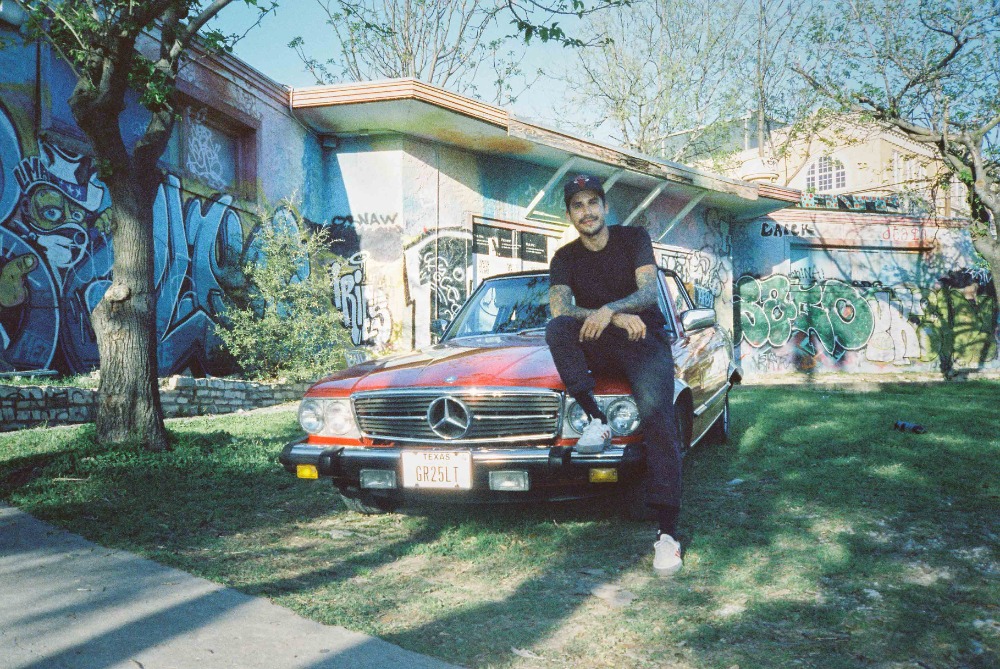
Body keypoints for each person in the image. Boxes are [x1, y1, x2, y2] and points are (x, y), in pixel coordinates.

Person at [546, 174, 684, 577]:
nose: (586, 211)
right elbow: (560, 309)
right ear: (570, 214)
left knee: (658, 416)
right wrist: (611, 317)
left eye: (593, 202)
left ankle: (667, 534)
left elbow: (648, 293)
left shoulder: (634, 239)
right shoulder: (564, 257)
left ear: (605, 207)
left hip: (643, 340)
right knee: (557, 330)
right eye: (577, 205)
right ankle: (596, 418)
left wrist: (612, 310)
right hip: (603, 339)